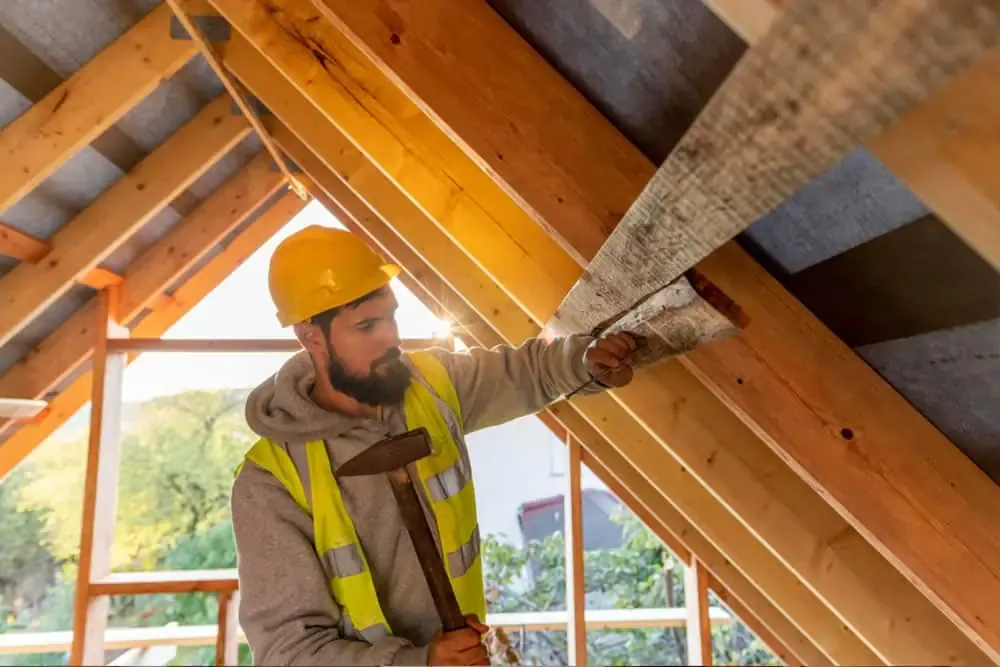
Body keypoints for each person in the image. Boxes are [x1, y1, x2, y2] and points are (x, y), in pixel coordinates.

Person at [231, 225, 639, 666]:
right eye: (366, 325)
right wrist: (418, 662)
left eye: (390, 316)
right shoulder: (271, 481)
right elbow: (287, 653)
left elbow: (525, 373)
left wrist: (584, 363)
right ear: (310, 336)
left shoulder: (432, 386)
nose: (389, 337)